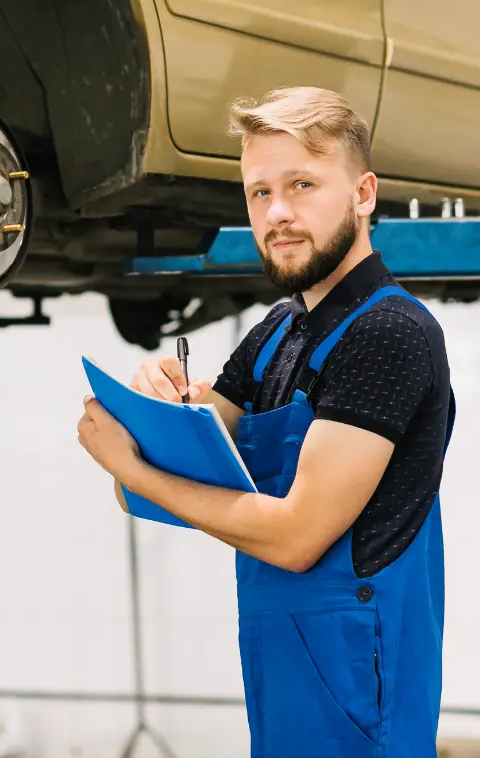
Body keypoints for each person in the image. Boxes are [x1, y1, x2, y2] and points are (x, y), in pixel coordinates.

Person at [77, 86, 455, 758]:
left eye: (302, 184)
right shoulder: (277, 333)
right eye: (258, 193)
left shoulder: (390, 334)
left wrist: (131, 461)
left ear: (363, 194)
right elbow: (143, 489)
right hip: (283, 665)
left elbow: (296, 539)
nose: (277, 213)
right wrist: (154, 413)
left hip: (360, 685)